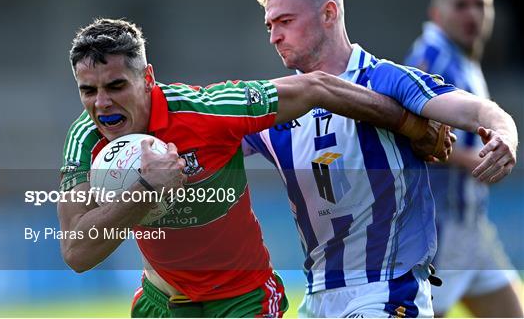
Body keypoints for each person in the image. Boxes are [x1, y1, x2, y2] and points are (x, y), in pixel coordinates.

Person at [58, 18, 452, 318]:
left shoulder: (211, 108)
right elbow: (77, 252)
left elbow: (317, 88)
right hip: (162, 301)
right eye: (88, 91)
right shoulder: (84, 140)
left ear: (147, 79)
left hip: (242, 299)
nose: (101, 104)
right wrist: (146, 188)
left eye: (115, 86)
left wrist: (412, 125)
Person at [243, 0, 518, 318]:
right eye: (270, 26)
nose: (274, 36)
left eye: (285, 22)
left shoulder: (386, 81)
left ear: (329, 14)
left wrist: (505, 135)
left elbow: (476, 109)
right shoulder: (276, 104)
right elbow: (215, 146)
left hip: (387, 291)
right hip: (318, 297)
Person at [405, 0, 523, 317]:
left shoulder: (461, 57)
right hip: (440, 230)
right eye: (461, 5)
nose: (473, 13)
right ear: (437, 14)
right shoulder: (433, 59)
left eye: (481, 4)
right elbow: (411, 134)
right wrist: (474, 159)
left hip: (471, 226)